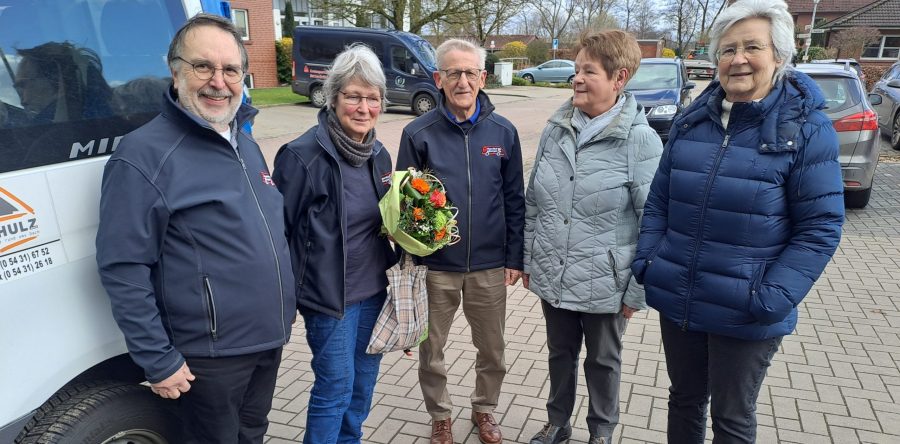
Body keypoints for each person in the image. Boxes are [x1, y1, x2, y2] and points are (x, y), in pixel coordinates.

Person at [631, 0, 845, 442]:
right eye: (727, 50)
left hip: (747, 307)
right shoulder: (693, 121)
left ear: (779, 56)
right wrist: (649, 261)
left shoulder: (806, 128)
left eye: (752, 47)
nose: (738, 59)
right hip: (680, 295)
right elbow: (659, 202)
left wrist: (770, 296)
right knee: (684, 400)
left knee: (731, 417)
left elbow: (820, 227)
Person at [95, 14, 296, 443]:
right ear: (175, 72)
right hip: (209, 358)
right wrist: (157, 358)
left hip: (265, 341)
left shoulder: (244, 142)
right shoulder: (144, 155)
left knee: (251, 434)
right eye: (203, 66)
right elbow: (123, 265)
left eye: (231, 70)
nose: (218, 82)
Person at [523, 30, 663, 444]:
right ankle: (557, 423)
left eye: (588, 71)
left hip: (607, 281)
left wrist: (637, 289)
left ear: (619, 78)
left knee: (603, 360)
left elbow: (654, 222)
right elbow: (534, 201)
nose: (577, 79)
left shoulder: (640, 140)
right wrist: (529, 259)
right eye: (576, 70)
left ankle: (601, 433)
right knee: (559, 354)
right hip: (554, 270)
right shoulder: (556, 129)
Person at [396, 38, 525, 444]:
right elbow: (403, 205)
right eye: (453, 73)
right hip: (436, 268)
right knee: (431, 350)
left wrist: (515, 258)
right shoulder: (418, 133)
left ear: (483, 77)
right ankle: (440, 415)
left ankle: (484, 409)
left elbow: (514, 200)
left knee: (493, 350)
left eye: (470, 72)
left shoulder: (504, 132)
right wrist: (411, 260)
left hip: (489, 266)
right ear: (439, 79)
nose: (462, 81)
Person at [272, 44, 397, 444]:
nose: (363, 108)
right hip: (330, 300)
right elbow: (280, 234)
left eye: (372, 98)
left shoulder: (378, 154)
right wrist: (286, 300)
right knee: (335, 389)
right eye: (353, 96)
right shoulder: (301, 156)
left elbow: (383, 222)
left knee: (361, 388)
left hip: (374, 293)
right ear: (333, 97)